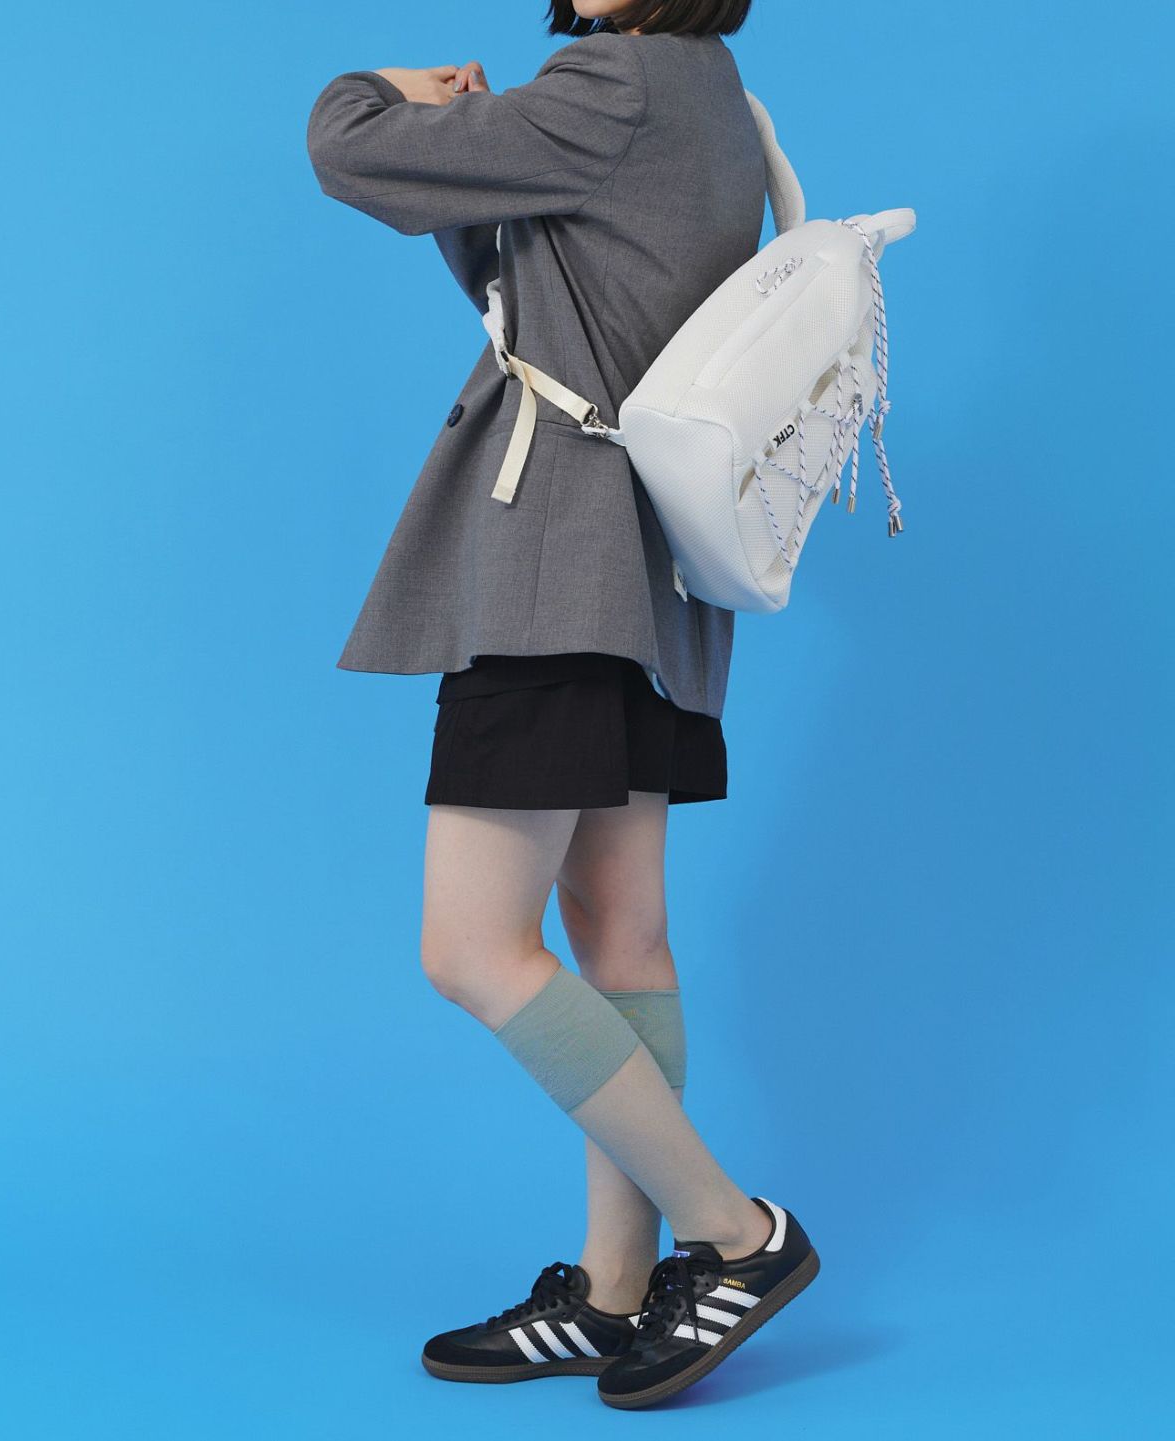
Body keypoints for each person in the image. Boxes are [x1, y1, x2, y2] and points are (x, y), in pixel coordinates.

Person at [306, 0, 819, 1409]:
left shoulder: (613, 81)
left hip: (557, 574)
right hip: (654, 582)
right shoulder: (708, 89)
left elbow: (351, 154)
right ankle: (611, 1289)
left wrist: (377, 87)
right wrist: (469, 140)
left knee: (473, 948)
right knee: (618, 928)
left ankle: (737, 1235)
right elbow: (547, 277)